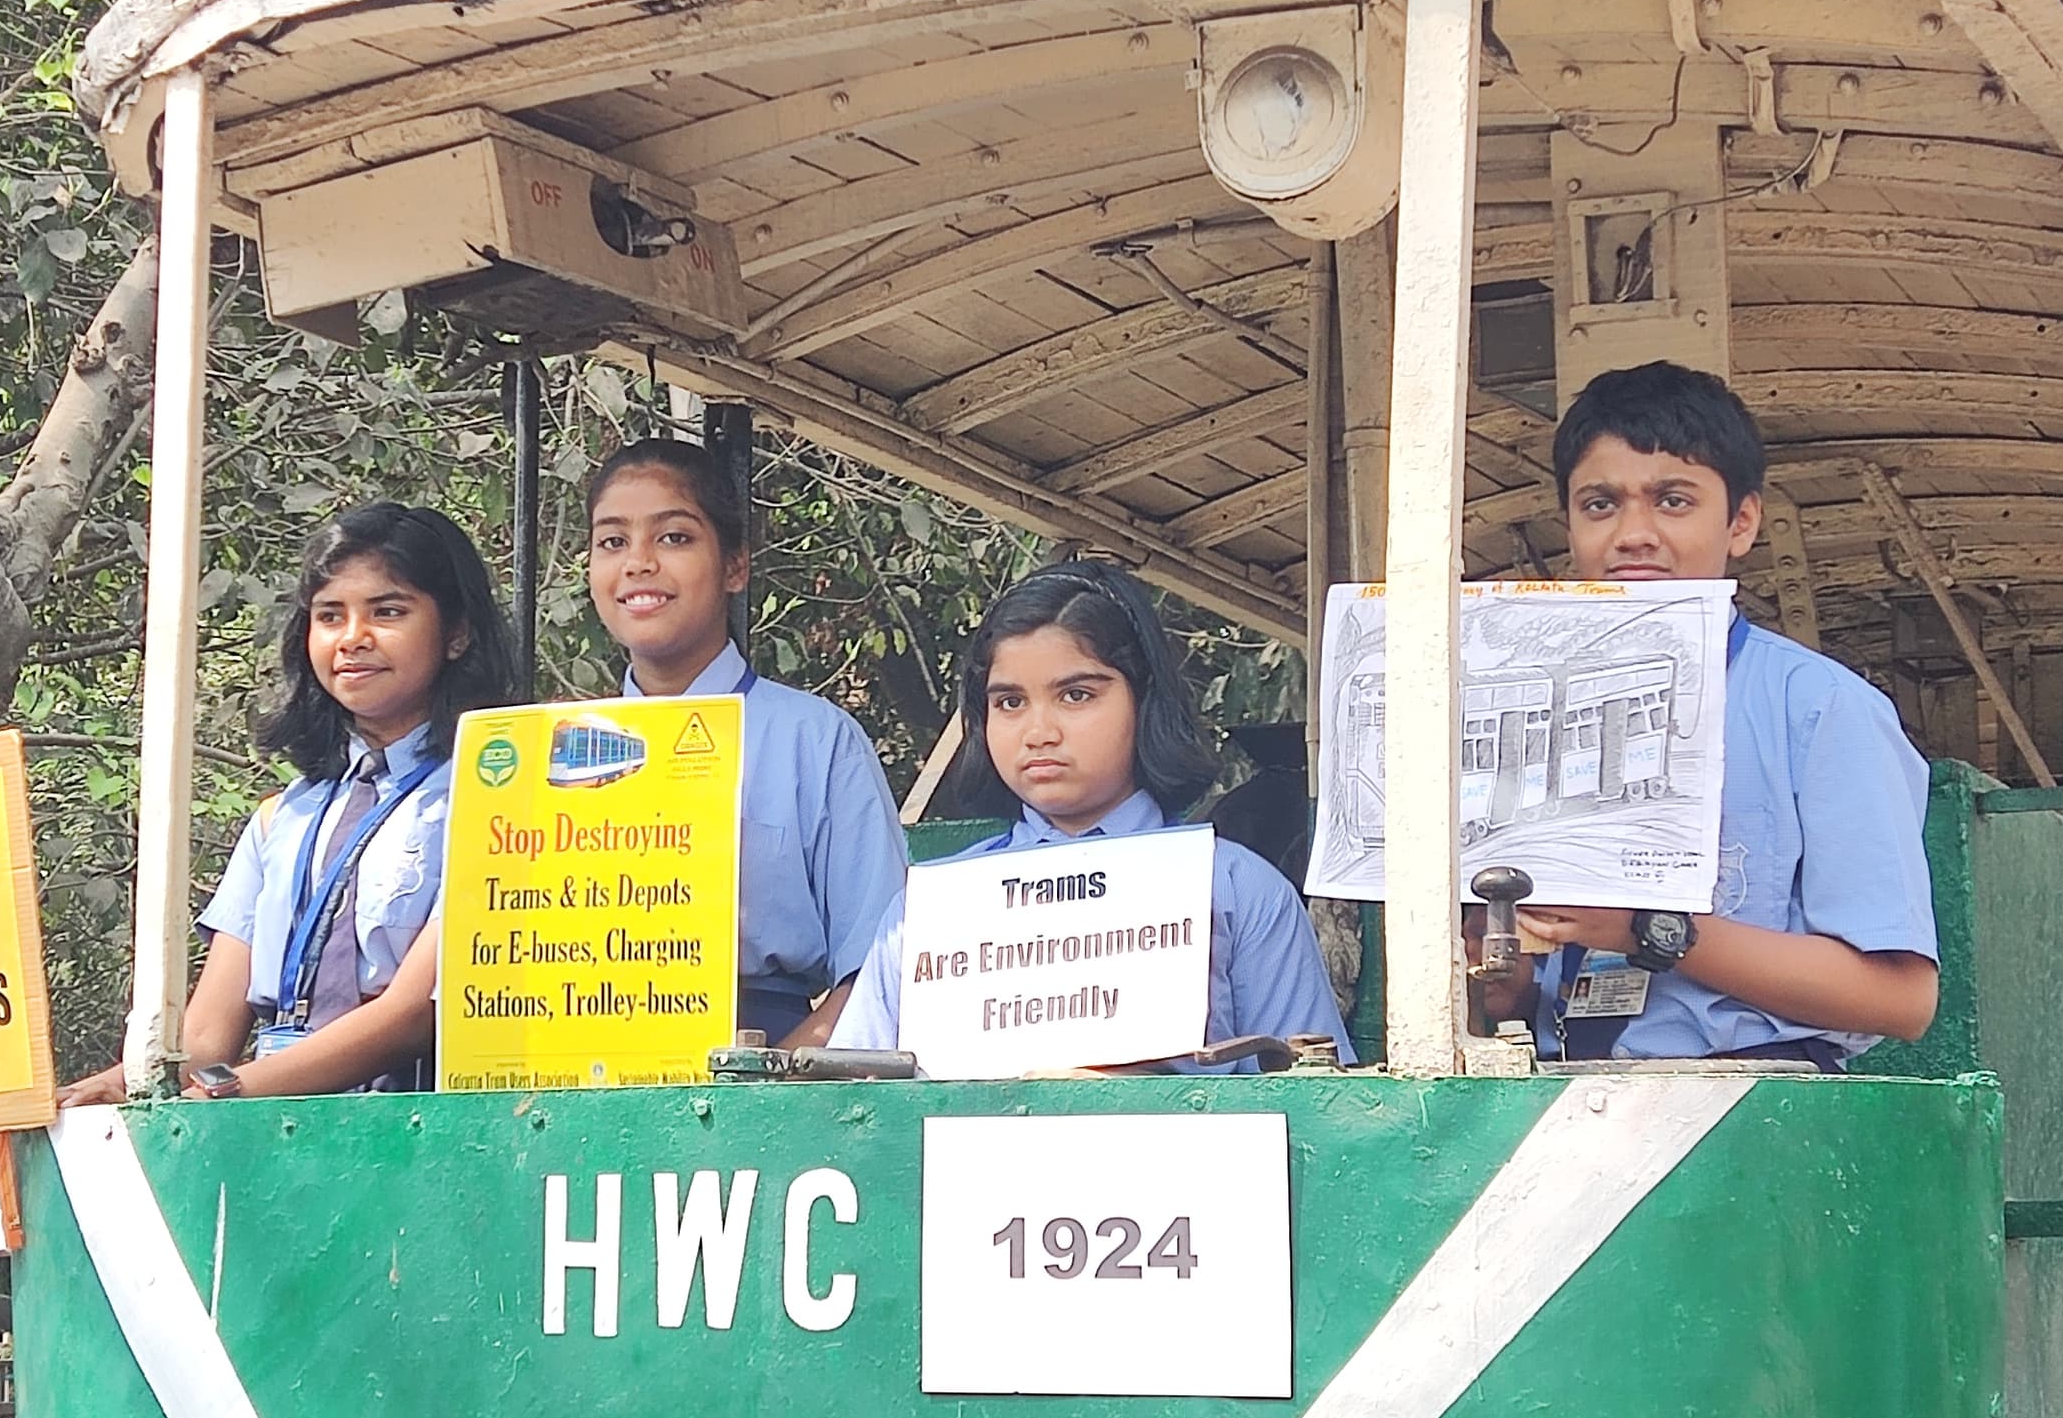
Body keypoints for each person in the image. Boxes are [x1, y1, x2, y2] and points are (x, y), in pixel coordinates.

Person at [1464, 362, 1939, 1065]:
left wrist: (1646, 929)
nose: (1634, 534)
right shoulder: (1535, 704)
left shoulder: (1821, 708)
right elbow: (1549, 986)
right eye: (1600, 504)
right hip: (1564, 1093)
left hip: (1759, 1102)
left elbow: (1901, 999)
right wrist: (1508, 984)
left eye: (1673, 500)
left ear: (1741, 522)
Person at [61, 503, 516, 1103]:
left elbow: (413, 1013)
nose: (353, 638)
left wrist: (234, 1092)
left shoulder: (496, 803)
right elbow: (207, 1035)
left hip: (410, 1118)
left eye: (387, 612)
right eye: (330, 616)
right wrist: (111, 1087)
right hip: (271, 1121)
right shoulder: (283, 816)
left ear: (456, 633)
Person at [828, 561, 1351, 1069]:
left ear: (1145, 701)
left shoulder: (1238, 889)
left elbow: (1315, 1097)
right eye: (1009, 703)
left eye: (1076, 695)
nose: (1039, 733)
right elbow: (854, 1101)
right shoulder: (927, 912)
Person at [583, 437, 909, 1048]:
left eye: (673, 537)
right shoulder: (556, 752)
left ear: (735, 566)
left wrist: (770, 1081)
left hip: (765, 1065)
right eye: (612, 541)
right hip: (576, 1064)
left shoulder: (816, 741)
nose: (638, 563)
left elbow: (880, 970)